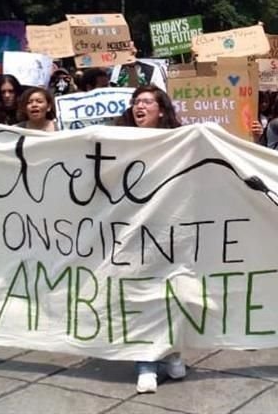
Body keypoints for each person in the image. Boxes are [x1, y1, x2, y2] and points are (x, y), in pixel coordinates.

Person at [115, 85, 186, 392]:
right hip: (133, 230)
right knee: (141, 294)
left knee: (172, 293)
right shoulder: (120, 139)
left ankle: (171, 352)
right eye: (136, 102)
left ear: (161, 109)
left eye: (146, 102)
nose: (139, 106)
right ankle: (146, 362)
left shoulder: (180, 141)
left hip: (171, 229)